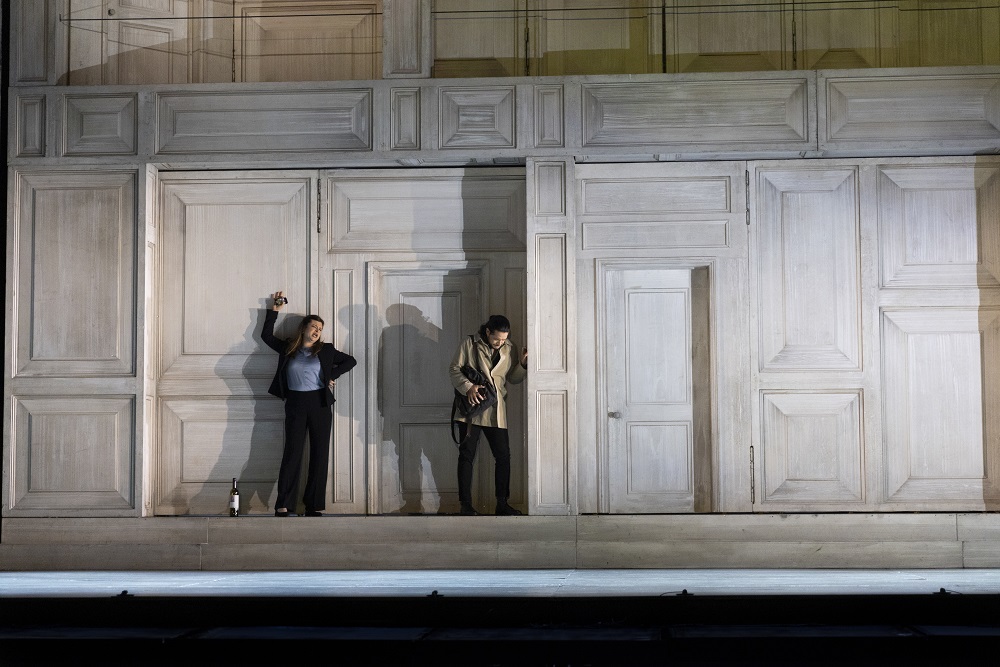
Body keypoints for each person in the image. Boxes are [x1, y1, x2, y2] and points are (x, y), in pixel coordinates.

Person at [262, 291, 356, 517]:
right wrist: (274, 311)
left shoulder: (326, 351)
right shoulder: (288, 349)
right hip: (295, 403)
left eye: (320, 329)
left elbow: (351, 361)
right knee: (292, 453)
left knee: (319, 454)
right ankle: (283, 504)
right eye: (314, 327)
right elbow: (266, 336)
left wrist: (332, 375)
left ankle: (313, 505)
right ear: (303, 328)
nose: (317, 332)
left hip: (319, 404)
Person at [449, 314, 528, 516]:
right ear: (487, 332)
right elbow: (454, 369)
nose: (500, 343)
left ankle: (502, 503)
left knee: (503, 457)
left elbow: (513, 379)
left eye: (503, 339)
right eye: (496, 339)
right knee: (466, 456)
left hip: (496, 410)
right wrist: (468, 387)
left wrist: (523, 365)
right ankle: (465, 504)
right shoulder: (469, 343)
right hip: (472, 409)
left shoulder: (509, 347)